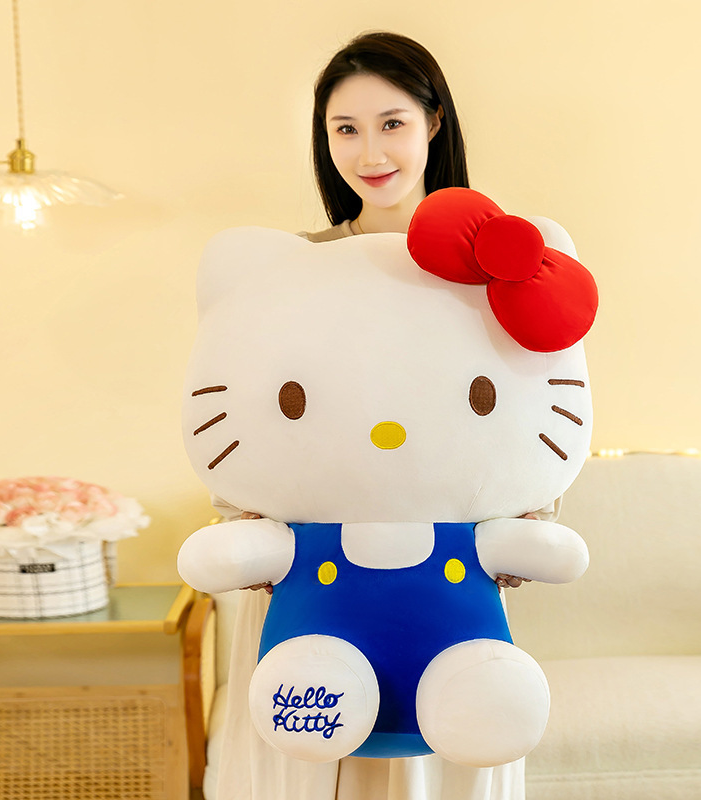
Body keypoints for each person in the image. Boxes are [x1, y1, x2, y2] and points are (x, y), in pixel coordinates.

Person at [213, 31, 562, 800]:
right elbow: (243, 407)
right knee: (315, 752)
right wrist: (246, 523)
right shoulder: (295, 269)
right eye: (346, 128)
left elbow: (533, 409)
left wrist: (531, 517)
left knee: (449, 740)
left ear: (434, 121)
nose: (369, 151)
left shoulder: (493, 268)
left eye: (392, 123)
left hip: (448, 577)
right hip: (310, 576)